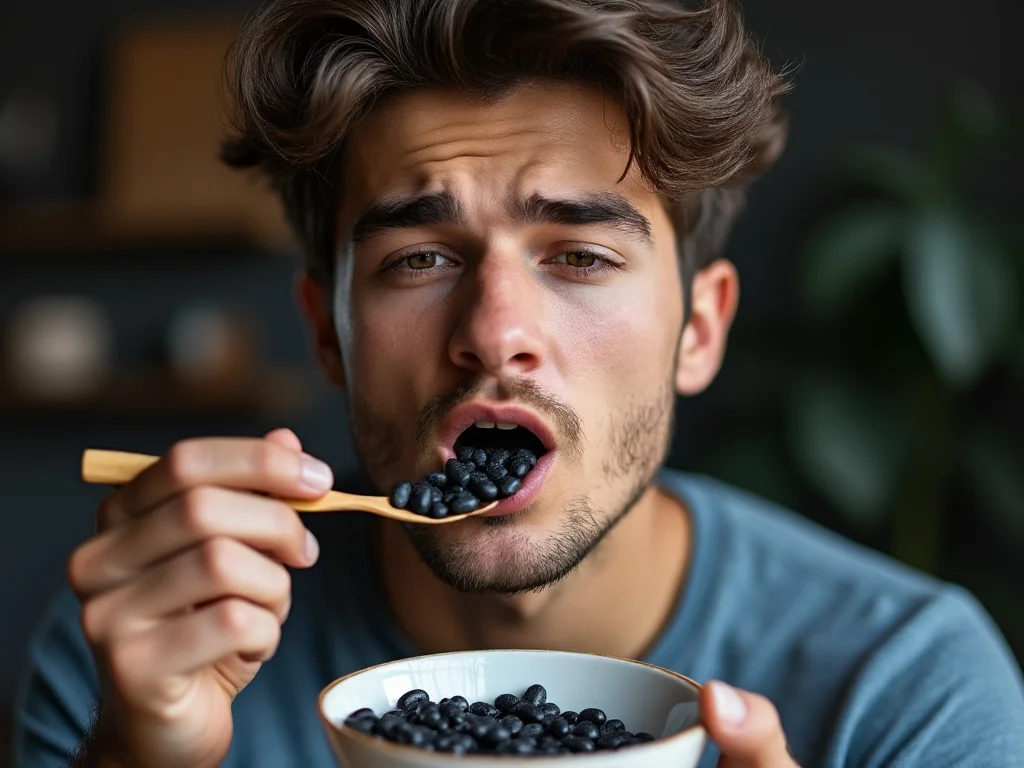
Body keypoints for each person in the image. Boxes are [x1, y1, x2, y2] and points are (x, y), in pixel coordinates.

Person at [14, 0, 1024, 765]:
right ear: (328, 334)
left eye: (579, 256)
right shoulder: (161, 648)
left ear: (699, 329)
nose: (496, 334)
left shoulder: (908, 689)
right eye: (418, 260)